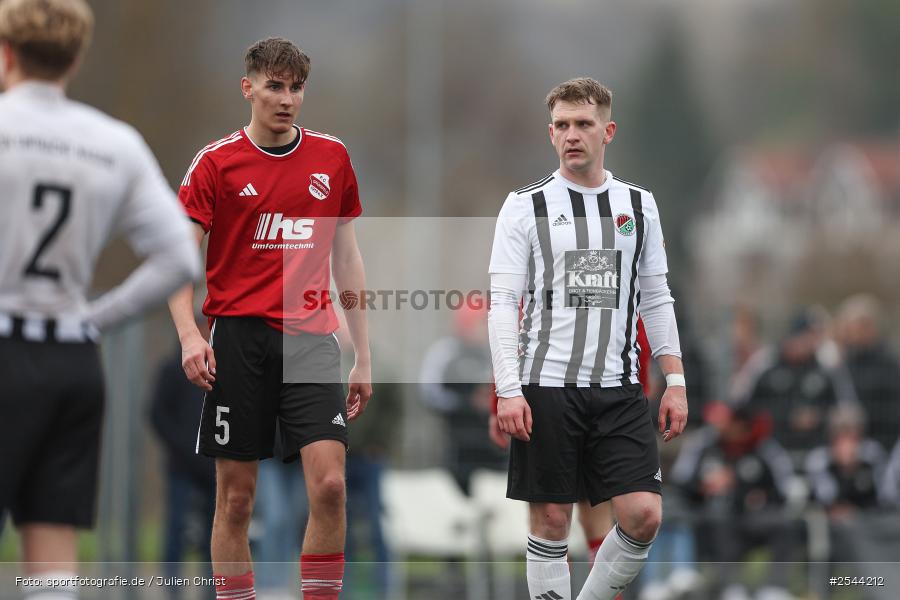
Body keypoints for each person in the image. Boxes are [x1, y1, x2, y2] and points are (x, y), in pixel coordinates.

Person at [0, 0, 200, 597]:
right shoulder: (115, 143)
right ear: (77, 57)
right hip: (70, 363)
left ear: (6, 52)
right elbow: (180, 259)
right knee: (52, 542)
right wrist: (95, 318)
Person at [168, 37, 372, 600]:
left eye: (296, 88)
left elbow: (348, 257)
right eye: (274, 86)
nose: (286, 99)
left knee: (330, 486)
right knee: (237, 500)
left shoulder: (331, 157)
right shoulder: (216, 163)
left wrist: (364, 355)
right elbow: (177, 261)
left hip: (312, 340)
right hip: (239, 340)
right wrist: (190, 334)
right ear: (248, 88)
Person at [488, 77, 688, 600]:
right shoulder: (523, 206)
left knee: (643, 515)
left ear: (608, 130)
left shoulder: (638, 206)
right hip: (546, 385)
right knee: (552, 519)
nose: (571, 134)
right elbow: (503, 304)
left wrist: (676, 380)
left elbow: (656, 297)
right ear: (550, 132)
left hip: (619, 389)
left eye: (583, 124)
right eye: (561, 125)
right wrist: (508, 389)